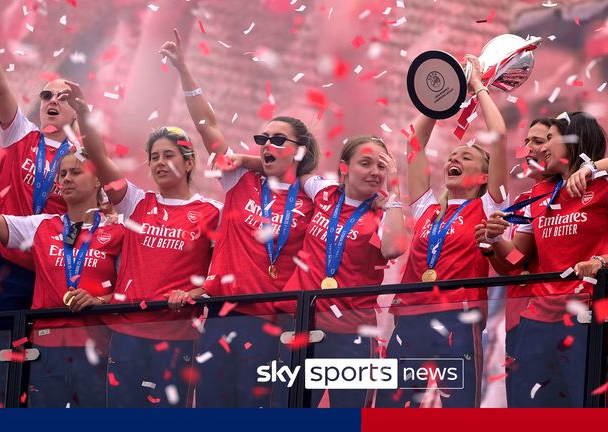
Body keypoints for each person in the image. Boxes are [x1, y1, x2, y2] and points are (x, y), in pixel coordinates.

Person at [159, 29, 320, 407]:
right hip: (220, 316)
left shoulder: (313, 196)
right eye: (262, 139)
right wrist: (184, 71)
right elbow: (206, 127)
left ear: (301, 151)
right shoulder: (240, 179)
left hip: (272, 323)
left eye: (279, 140)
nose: (267, 146)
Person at [66, 81, 222, 407]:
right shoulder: (136, 201)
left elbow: (223, 274)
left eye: (169, 155)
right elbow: (98, 157)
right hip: (126, 335)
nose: (160, 163)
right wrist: (83, 114)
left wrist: (192, 294)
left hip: (176, 338)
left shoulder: (211, 212)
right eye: (154, 158)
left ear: (190, 162)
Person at [375, 55, 508, 408]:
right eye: (453, 155)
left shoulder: (489, 206)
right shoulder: (426, 209)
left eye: (466, 157)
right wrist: (439, 99)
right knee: (393, 407)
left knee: (458, 410)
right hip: (411, 316)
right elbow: (414, 145)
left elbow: (499, 137)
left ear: (483, 177)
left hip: (459, 319)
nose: (455, 159)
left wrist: (477, 85)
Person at [483, 111, 608, 407]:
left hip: (585, 318)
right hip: (536, 322)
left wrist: (602, 261)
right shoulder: (537, 194)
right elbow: (517, 259)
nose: (542, 149)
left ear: (572, 141)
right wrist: (494, 240)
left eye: (550, 140)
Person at [0, 0, 75, 404]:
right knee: (1, 362)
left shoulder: (83, 159)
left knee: (42, 363)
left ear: (78, 108)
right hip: (3, 262)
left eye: (63, 96)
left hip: (51, 267)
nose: (52, 99)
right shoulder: (21, 134)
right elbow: (1, 88)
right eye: (46, 94)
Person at [0, 149, 124, 407]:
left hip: (97, 351)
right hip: (46, 353)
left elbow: (131, 291)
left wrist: (99, 300)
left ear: (97, 179)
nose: (66, 179)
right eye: (62, 173)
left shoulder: (118, 232)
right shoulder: (41, 226)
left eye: (75, 172)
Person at [276, 135, 406, 407]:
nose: (375, 172)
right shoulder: (323, 191)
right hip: (302, 328)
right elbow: (290, 172)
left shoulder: (383, 214)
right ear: (344, 167)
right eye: (366, 163)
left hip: (352, 338)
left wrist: (394, 190)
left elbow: (393, 248)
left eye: (382, 166)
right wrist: (242, 160)